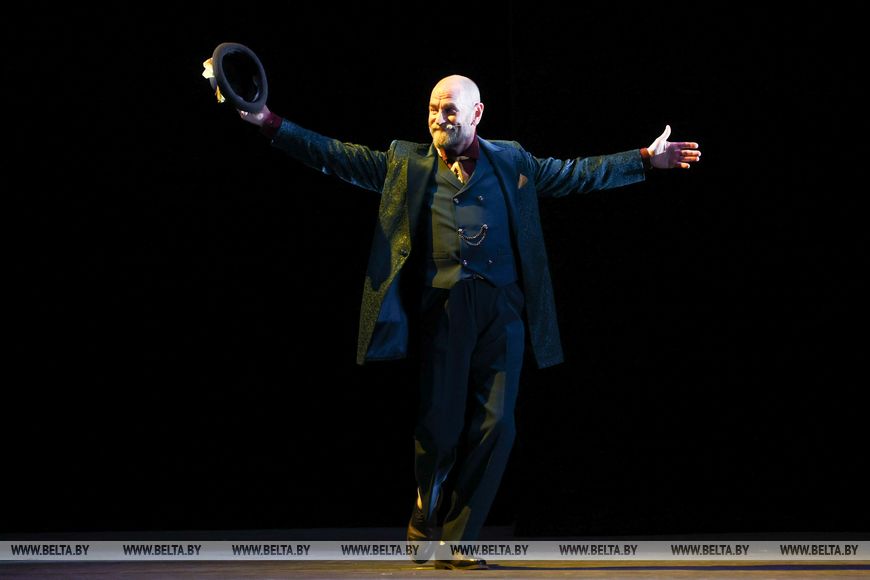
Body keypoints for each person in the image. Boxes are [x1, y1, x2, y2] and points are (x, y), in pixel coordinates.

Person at [230, 74, 700, 569]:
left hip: (503, 310)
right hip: (445, 310)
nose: (439, 119)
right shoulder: (406, 162)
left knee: (499, 426)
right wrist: (269, 122)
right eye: (433, 109)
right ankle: (425, 507)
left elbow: (575, 173)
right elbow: (335, 156)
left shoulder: (512, 160)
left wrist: (643, 160)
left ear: (476, 114)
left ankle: (460, 539)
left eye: (450, 110)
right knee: (439, 429)